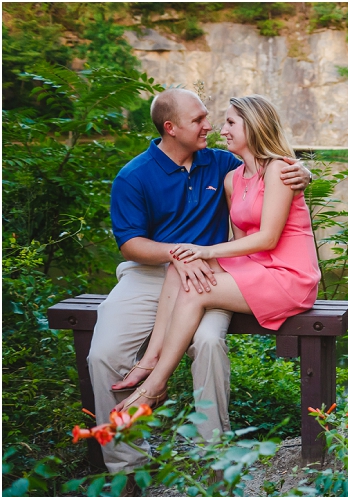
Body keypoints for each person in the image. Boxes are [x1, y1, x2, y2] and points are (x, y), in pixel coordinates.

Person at [89, 88, 313, 497]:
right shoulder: (134, 176)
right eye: (199, 120)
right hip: (152, 273)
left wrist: (304, 172)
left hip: (212, 274)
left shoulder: (220, 161)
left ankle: (215, 458)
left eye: (216, 119)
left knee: (208, 343)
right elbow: (131, 244)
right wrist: (179, 253)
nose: (210, 126)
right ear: (171, 128)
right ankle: (126, 467)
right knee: (102, 354)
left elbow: (271, 167)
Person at [112, 94, 321, 421]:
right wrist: (195, 257)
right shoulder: (231, 177)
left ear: (254, 126)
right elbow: (242, 243)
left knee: (196, 288)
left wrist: (206, 251)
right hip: (258, 269)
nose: (220, 130)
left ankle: (155, 385)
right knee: (181, 266)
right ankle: (151, 359)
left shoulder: (279, 170)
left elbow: (266, 238)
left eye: (230, 123)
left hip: (289, 277)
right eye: (218, 122)